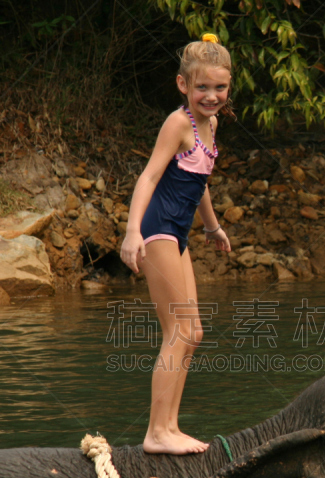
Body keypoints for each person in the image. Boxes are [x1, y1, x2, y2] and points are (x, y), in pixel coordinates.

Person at [120, 34, 232, 455]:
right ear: (183, 84)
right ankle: (156, 432)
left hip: (179, 232)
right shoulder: (178, 122)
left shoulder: (211, 124)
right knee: (178, 331)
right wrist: (133, 232)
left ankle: (170, 424)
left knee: (194, 331)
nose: (212, 96)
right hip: (157, 228)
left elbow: (197, 180)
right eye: (202, 87)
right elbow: (150, 176)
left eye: (220, 88)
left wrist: (212, 226)